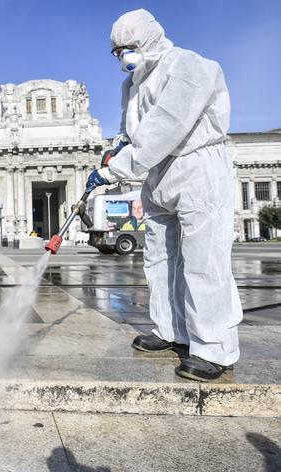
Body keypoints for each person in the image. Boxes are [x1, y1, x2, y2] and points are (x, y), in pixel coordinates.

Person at [85, 9, 242, 381]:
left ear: (150, 39)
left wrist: (113, 170)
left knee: (204, 259)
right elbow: (133, 130)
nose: (124, 56)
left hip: (195, 167)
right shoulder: (132, 84)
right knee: (159, 257)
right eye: (118, 51)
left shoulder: (189, 66)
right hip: (158, 174)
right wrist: (116, 147)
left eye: (130, 47)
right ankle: (172, 331)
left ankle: (215, 348)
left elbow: (164, 127)